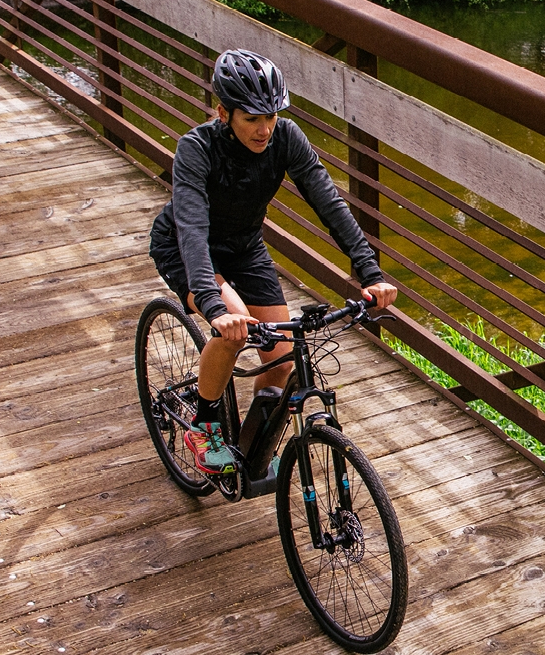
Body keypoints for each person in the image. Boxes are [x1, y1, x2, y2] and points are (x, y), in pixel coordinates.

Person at [152, 48, 397, 475]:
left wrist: (370, 272)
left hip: (245, 247)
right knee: (234, 328)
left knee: (282, 361)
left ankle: (249, 449)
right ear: (223, 112)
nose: (265, 129)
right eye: (252, 118)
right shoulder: (197, 149)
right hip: (187, 247)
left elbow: (329, 203)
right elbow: (191, 227)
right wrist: (212, 306)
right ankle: (203, 425)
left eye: (272, 116)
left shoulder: (286, 139)